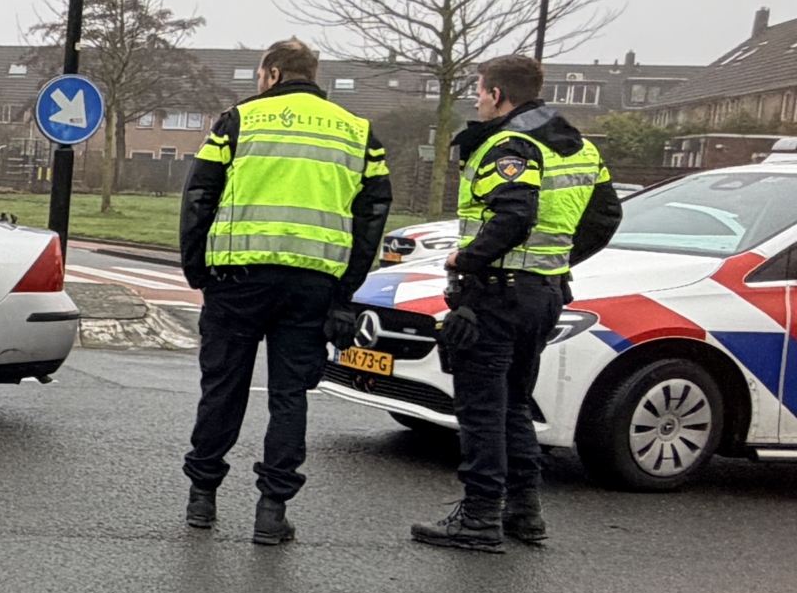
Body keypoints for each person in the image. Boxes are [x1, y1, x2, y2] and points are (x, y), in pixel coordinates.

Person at [179, 38, 392, 544]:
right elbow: (372, 217)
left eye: (259, 74)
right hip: (312, 285)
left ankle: (202, 500)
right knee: (289, 397)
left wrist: (197, 269)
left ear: (272, 73)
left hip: (238, 279)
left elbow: (200, 195)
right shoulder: (359, 132)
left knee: (222, 390)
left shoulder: (238, 121)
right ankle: (271, 511)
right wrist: (345, 292)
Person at [411, 53, 623, 552]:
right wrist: (554, 262)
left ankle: (480, 516)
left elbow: (514, 216)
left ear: (498, 95)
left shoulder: (508, 146)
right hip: (544, 294)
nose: (477, 99)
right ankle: (524, 511)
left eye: (480, 91)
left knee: (483, 408)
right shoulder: (581, 149)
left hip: (495, 294)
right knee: (513, 405)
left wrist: (466, 259)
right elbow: (606, 217)